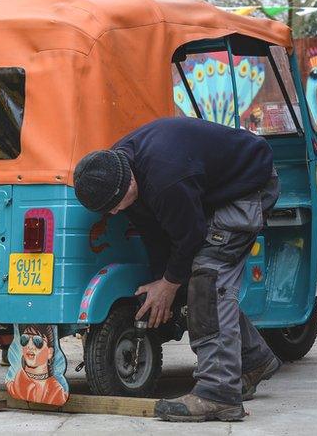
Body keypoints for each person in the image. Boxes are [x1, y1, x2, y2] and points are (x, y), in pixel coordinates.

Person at [73, 117, 282, 422]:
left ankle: (218, 393)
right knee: (186, 281)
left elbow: (189, 238)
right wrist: (162, 282)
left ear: (129, 181)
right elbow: (157, 234)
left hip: (249, 185)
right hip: (208, 189)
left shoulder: (165, 178)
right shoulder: (117, 168)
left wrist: (169, 285)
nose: (116, 212)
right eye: (110, 210)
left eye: (117, 204)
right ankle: (253, 361)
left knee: (207, 279)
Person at [4, 325, 69, 406]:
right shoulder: (12, 385)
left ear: (50, 352)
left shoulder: (57, 393)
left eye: (37, 341)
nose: (29, 346)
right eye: (24, 339)